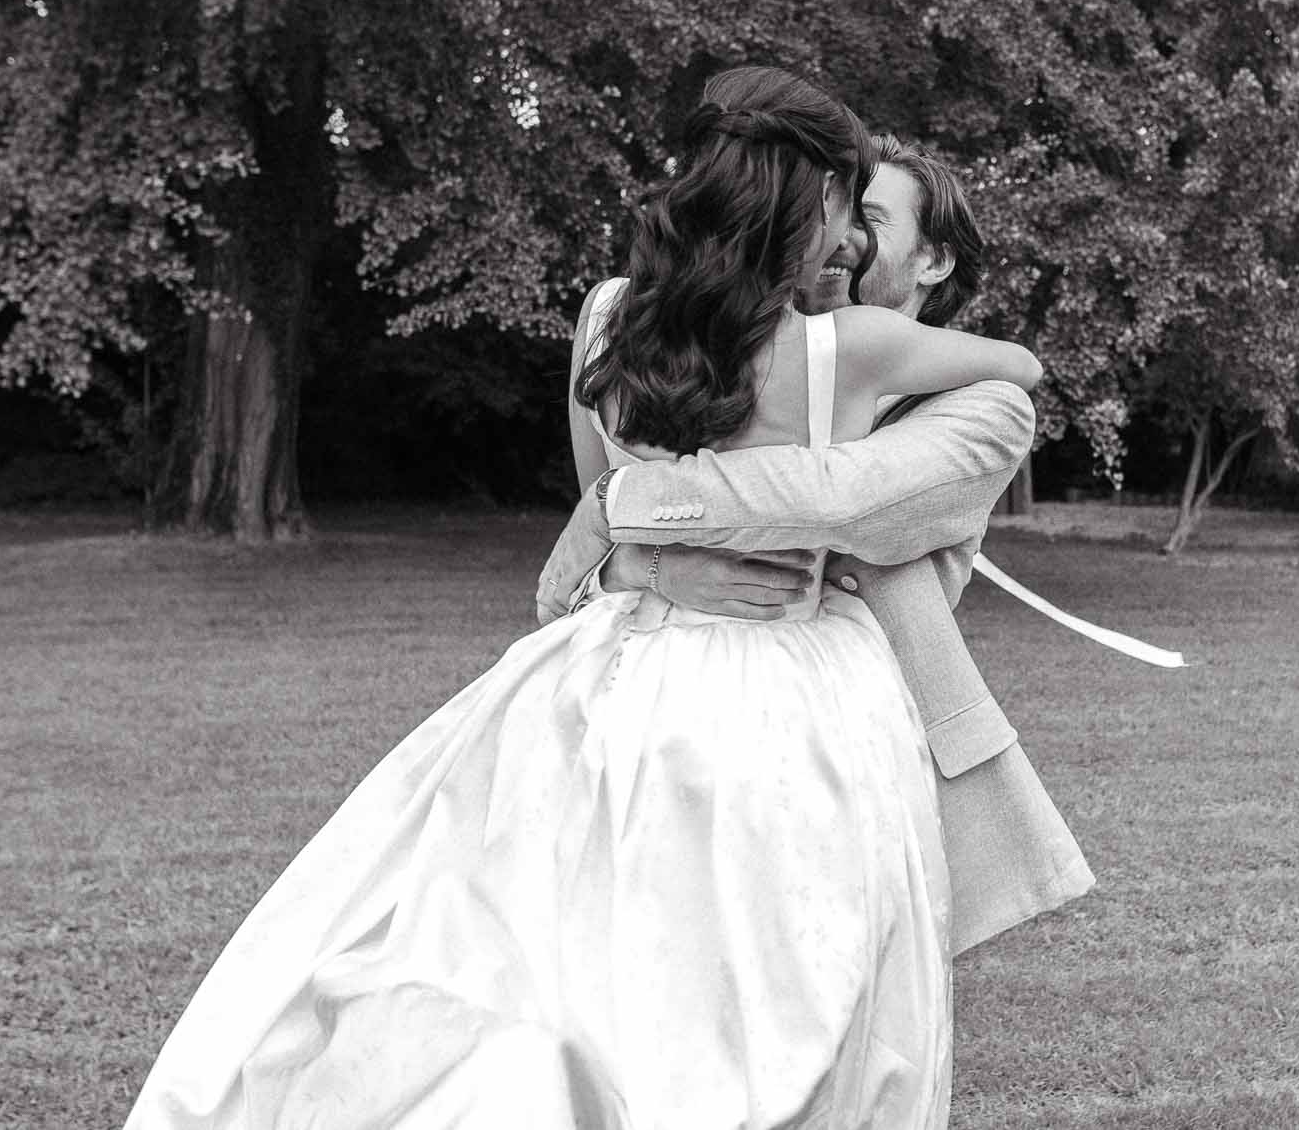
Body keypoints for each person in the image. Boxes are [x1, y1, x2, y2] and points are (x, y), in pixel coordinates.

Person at [121, 70, 1044, 1130]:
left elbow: (594, 488)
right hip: (787, 692)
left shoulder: (609, 315)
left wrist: (631, 527)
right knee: (775, 989)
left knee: (539, 955)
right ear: (817, 198)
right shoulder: (849, 350)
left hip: (617, 670)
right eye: (846, 206)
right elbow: (1012, 365)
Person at [535, 135, 1095, 958]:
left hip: (863, 761)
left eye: (868, 219)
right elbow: (600, 578)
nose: (841, 240)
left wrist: (621, 504)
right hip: (679, 741)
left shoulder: (986, 405)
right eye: (831, 212)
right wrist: (634, 560)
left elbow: (834, 499)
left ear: (932, 262)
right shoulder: (726, 364)